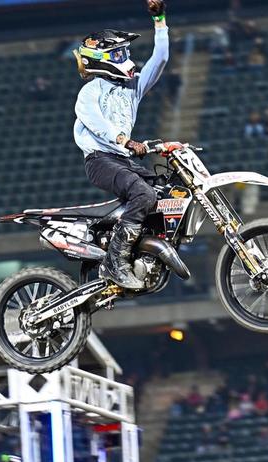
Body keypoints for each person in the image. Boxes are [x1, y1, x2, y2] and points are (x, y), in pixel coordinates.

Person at [73, 0, 169, 289]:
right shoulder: (89, 92)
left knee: (165, 190)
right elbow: (99, 127)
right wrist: (125, 141)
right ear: (101, 58)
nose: (125, 57)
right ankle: (116, 262)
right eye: (118, 52)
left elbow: (160, 59)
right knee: (142, 193)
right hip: (100, 160)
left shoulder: (132, 87)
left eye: (124, 52)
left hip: (123, 160)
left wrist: (160, 20)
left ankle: (146, 252)